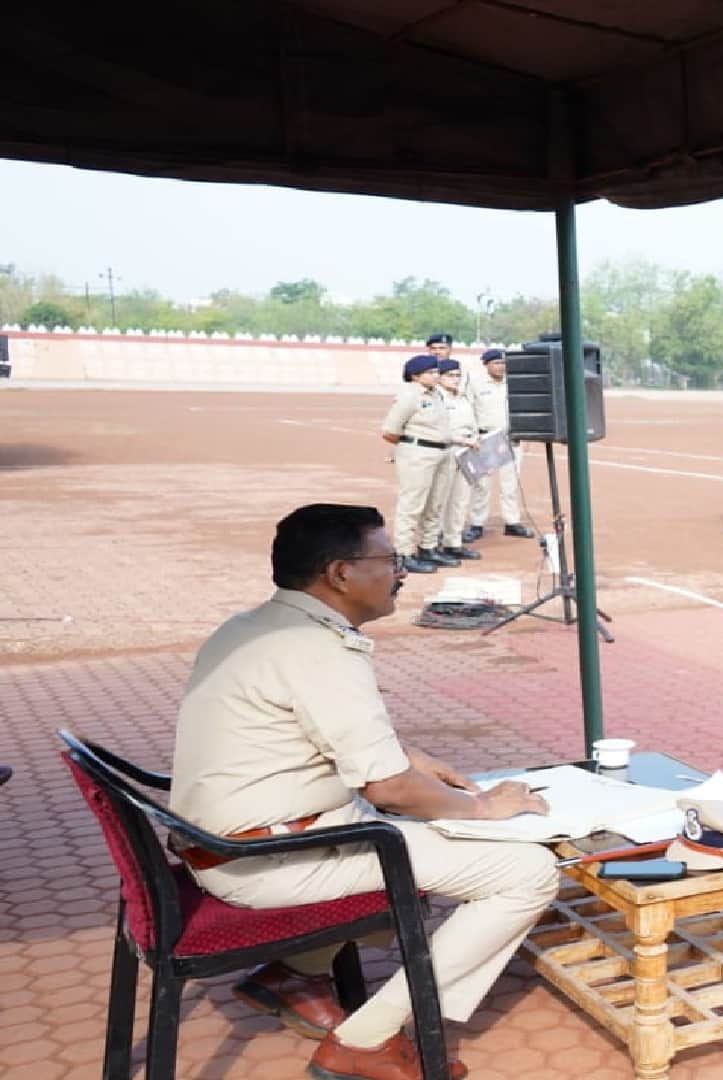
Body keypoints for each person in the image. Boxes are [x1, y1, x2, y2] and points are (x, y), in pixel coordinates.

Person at [169, 503, 557, 1080]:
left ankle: (295, 974)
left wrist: (415, 764)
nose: (402, 573)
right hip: (266, 860)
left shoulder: (256, 626)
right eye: (390, 560)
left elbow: (326, 739)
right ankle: (365, 1040)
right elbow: (390, 787)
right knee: (526, 873)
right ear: (340, 574)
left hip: (234, 838)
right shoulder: (321, 649)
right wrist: (481, 808)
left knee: (422, 823)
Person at [381, 355, 458, 574]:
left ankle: (428, 547)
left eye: (436, 372)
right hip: (418, 452)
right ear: (416, 375)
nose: (436, 375)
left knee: (435, 503)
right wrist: (409, 447)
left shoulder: (436, 395)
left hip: (442, 452)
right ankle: (404, 553)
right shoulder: (409, 396)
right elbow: (389, 430)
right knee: (413, 504)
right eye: (431, 372)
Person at [463, 348, 534, 542]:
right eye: (496, 363)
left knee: (510, 484)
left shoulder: (513, 384)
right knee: (482, 485)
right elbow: (467, 410)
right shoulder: (475, 384)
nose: (500, 367)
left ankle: (512, 522)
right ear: (486, 365)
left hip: (509, 439)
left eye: (503, 363)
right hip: (484, 439)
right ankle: (477, 524)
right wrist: (471, 436)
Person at [432, 359, 483, 563]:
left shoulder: (463, 398)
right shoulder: (436, 398)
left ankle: (453, 542)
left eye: (457, 375)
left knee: (461, 500)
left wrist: (475, 438)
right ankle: (432, 543)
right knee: (439, 499)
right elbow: (435, 428)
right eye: (449, 376)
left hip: (467, 451)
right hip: (445, 450)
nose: (455, 380)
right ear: (440, 378)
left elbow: (473, 423)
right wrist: (460, 440)